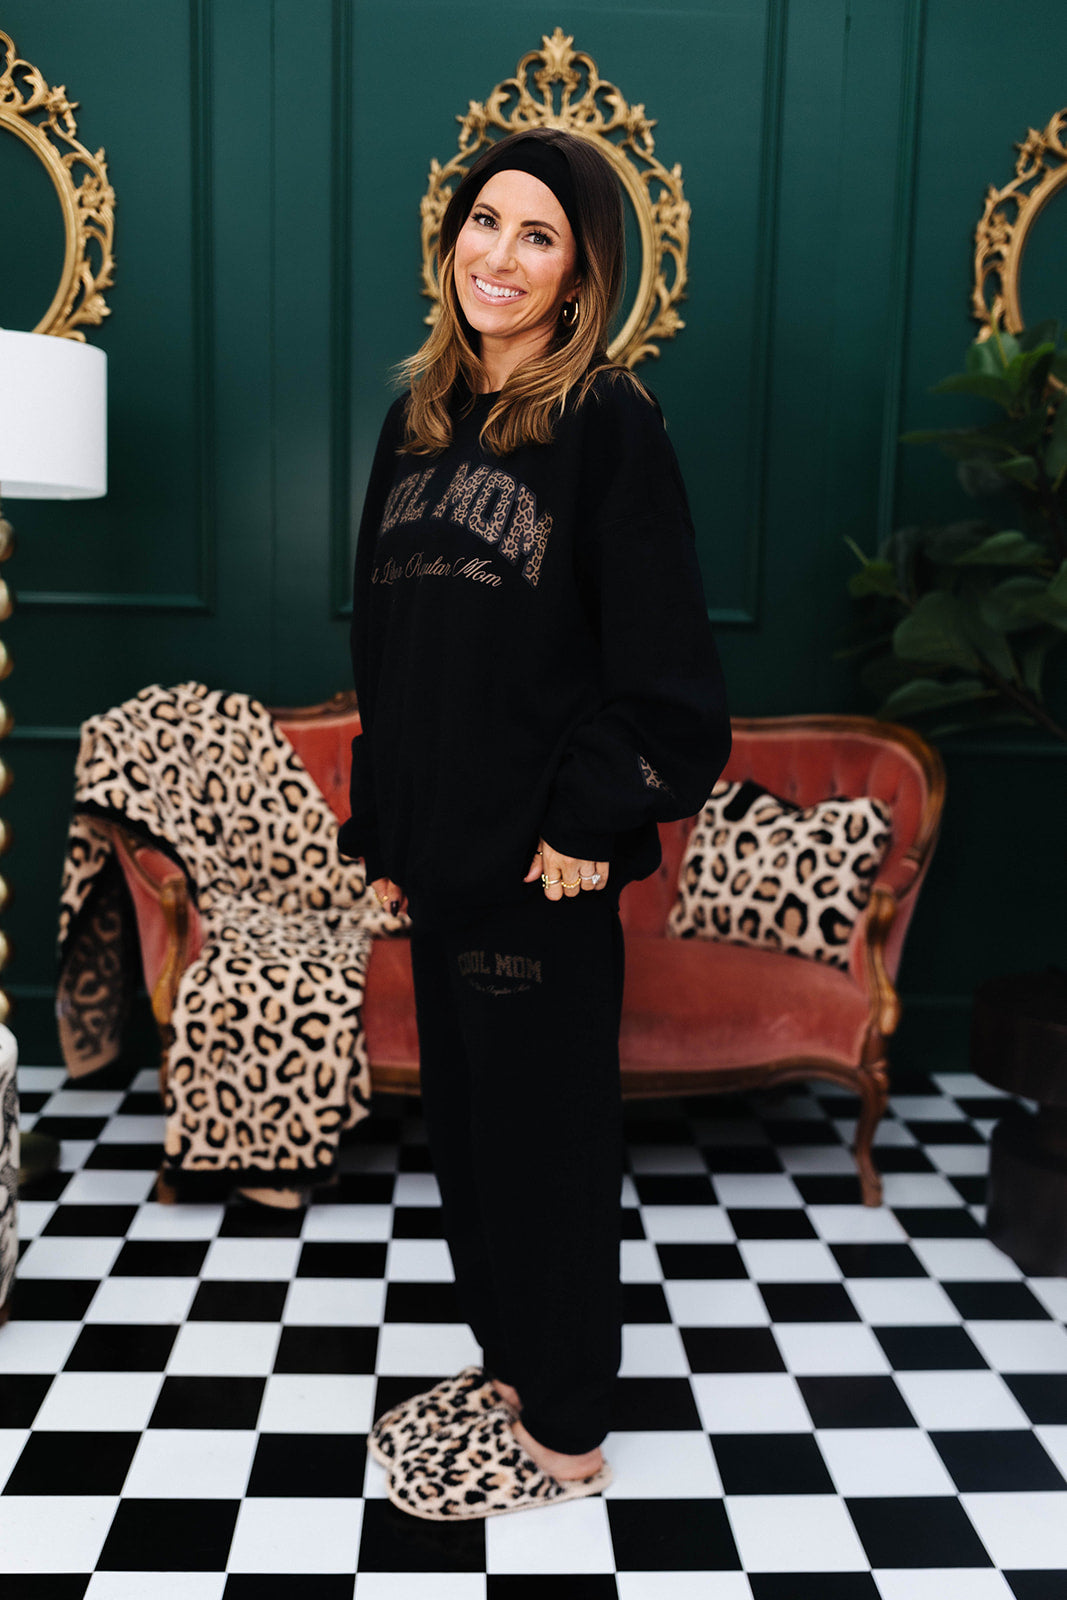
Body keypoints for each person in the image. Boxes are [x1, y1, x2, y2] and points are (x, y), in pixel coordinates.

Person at [339, 126, 730, 1521]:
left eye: (538, 236)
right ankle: (515, 1371)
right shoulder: (418, 421)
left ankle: (565, 1433)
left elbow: (670, 671)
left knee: (548, 1151)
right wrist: (382, 835)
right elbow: (385, 652)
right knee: (470, 1137)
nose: (498, 257)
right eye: (483, 224)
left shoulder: (609, 423)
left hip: (544, 871)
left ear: (581, 277)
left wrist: (588, 820)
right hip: (443, 861)